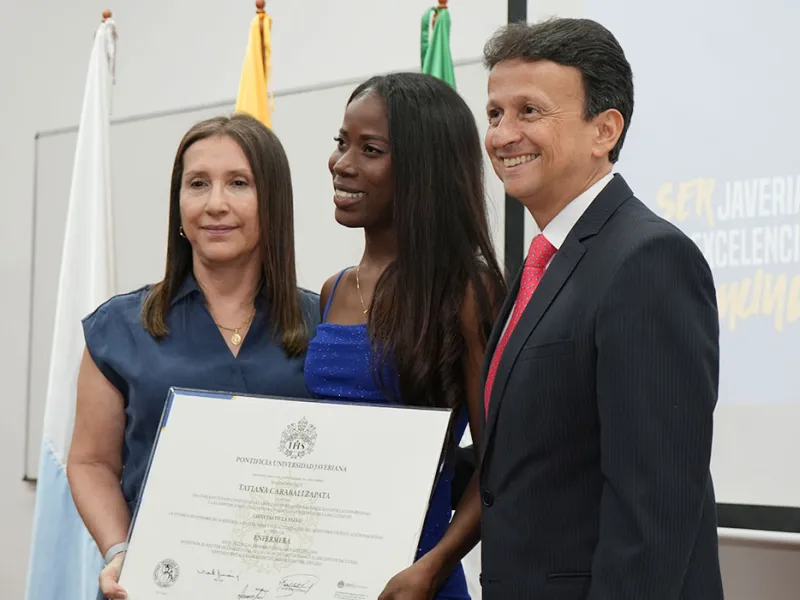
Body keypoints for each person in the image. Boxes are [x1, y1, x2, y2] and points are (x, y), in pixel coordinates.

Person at [477, 18, 724, 599]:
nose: (503, 135)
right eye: (494, 114)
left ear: (604, 130)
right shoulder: (545, 261)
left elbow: (653, 509)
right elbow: (535, 457)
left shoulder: (647, 260)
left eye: (529, 112)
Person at [65, 114, 320, 600]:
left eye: (239, 183)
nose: (215, 203)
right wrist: (121, 550)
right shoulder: (118, 328)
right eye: (198, 184)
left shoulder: (325, 325)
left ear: (273, 201)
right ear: (178, 204)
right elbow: (91, 461)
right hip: (155, 585)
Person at [303, 72, 506, 600]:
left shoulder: (468, 292)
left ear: (424, 168)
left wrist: (433, 567)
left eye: (370, 150)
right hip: (324, 577)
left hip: (416, 583)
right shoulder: (332, 291)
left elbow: (499, 463)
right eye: (341, 142)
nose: (341, 163)